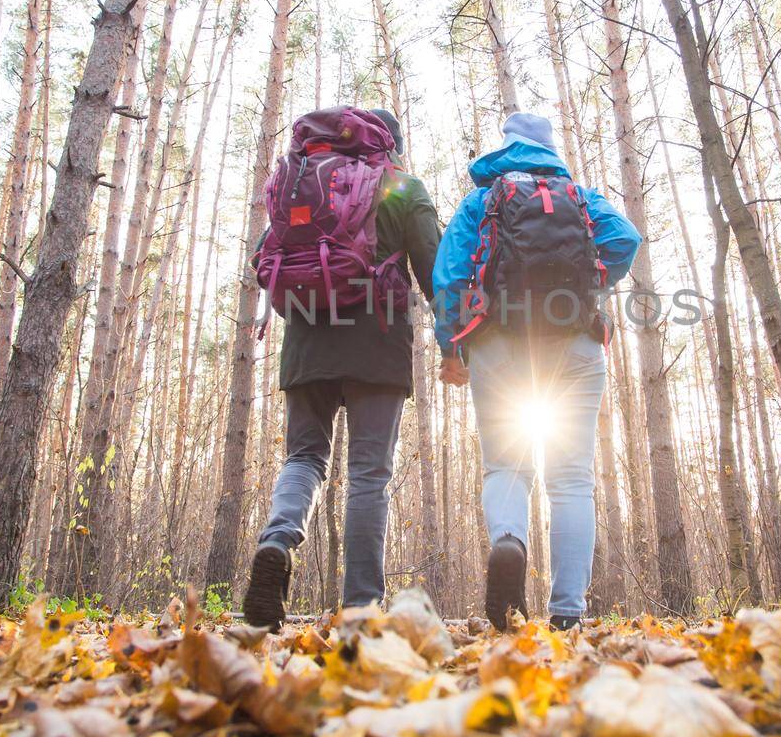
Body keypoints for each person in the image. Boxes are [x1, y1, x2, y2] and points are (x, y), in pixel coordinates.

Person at [433, 111, 640, 630]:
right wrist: (588, 283)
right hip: (576, 343)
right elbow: (626, 241)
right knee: (571, 480)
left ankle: (509, 541)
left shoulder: (485, 199)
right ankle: (568, 614)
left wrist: (451, 346)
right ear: (552, 151)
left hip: (499, 342)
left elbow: (449, 276)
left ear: (506, 147)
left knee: (507, 466)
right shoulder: (581, 197)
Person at [242, 107, 440, 629]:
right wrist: (457, 340)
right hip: (378, 345)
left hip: (308, 344)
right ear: (391, 143)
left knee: (304, 459)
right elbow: (436, 272)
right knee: (368, 475)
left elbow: (263, 256)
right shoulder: (401, 186)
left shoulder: (307, 182)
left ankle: (278, 542)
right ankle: (360, 608)